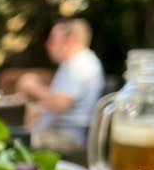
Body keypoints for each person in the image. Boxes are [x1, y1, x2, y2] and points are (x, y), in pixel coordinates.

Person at [16, 19, 105, 155]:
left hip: (66, 139)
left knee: (13, 141)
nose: (48, 45)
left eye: (53, 40)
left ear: (70, 40)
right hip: (55, 132)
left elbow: (60, 105)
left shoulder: (82, 65)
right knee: (14, 134)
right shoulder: (71, 63)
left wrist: (32, 86)